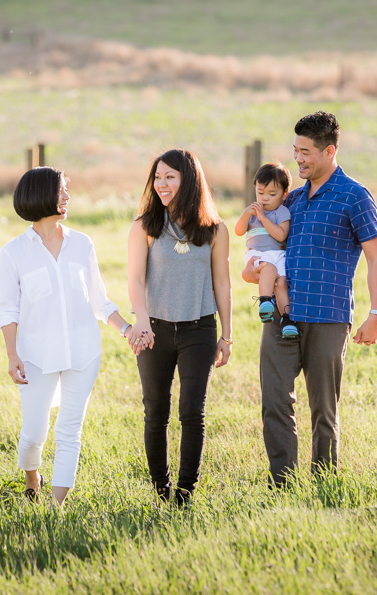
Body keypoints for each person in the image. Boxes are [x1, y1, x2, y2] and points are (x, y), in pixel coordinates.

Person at [246, 111, 377, 488]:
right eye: (296, 150)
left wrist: (376, 313)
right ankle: (283, 486)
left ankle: (324, 484)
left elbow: (376, 258)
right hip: (282, 314)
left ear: (329, 151)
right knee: (274, 401)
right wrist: (255, 269)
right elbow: (264, 245)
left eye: (306, 152)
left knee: (323, 409)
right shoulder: (290, 199)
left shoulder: (354, 196)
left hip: (328, 316)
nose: (299, 159)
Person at [0, 166, 132, 505]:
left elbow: (100, 301)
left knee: (69, 430)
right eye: (61, 191)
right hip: (35, 357)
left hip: (83, 353)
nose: (68, 197)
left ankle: (56, 508)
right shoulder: (13, 253)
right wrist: (12, 356)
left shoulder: (82, 244)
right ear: (41, 195)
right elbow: (7, 310)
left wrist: (127, 329)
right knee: (33, 435)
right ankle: (32, 478)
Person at [127, 148, 233, 506]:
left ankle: (184, 493)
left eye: (170, 176)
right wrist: (141, 321)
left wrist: (227, 334)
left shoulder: (215, 230)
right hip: (153, 329)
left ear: (189, 180)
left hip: (199, 331)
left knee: (192, 412)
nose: (162, 184)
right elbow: (134, 280)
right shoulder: (144, 226)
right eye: (157, 177)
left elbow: (222, 283)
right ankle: (161, 489)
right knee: (156, 411)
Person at [233, 162, 298, 339]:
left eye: (272, 194)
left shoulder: (282, 212)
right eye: (260, 193)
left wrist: (262, 217)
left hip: (278, 255)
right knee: (268, 269)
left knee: (282, 283)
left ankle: (287, 320)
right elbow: (238, 231)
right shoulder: (252, 213)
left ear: (284, 195)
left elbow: (281, 234)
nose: (265, 198)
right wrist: (247, 214)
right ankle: (264, 302)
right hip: (258, 255)